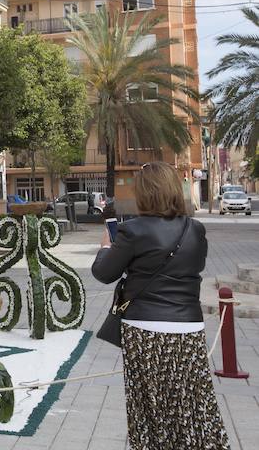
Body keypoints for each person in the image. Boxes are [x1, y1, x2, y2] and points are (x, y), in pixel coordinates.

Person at [91, 161, 229, 450]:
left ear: (145, 193)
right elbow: (194, 268)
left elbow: (104, 274)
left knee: (150, 409)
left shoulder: (132, 231)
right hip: (189, 327)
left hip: (144, 329)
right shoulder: (195, 229)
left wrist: (106, 246)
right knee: (192, 404)